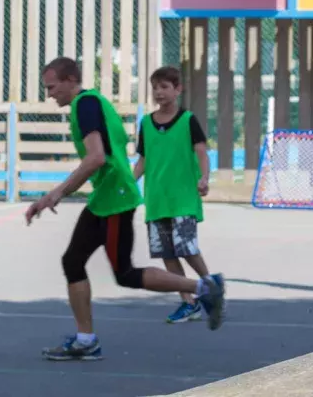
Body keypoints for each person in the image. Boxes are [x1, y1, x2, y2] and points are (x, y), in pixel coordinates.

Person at [25, 57, 226, 361]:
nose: (49, 94)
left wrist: (57, 193)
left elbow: (96, 157)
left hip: (115, 199)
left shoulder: (85, 105)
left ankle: (204, 286)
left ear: (70, 80)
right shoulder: (92, 103)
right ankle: (86, 339)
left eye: (52, 87)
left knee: (125, 273)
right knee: (73, 261)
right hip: (106, 197)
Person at [132, 66, 215, 323]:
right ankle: (188, 302)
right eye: (155, 87)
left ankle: (212, 288)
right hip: (157, 200)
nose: (159, 92)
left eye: (164, 87)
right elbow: (143, 159)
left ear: (178, 89)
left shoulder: (188, 120)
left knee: (187, 249)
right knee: (167, 254)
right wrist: (128, 183)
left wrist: (204, 177)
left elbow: (201, 153)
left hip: (183, 199)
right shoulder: (146, 123)